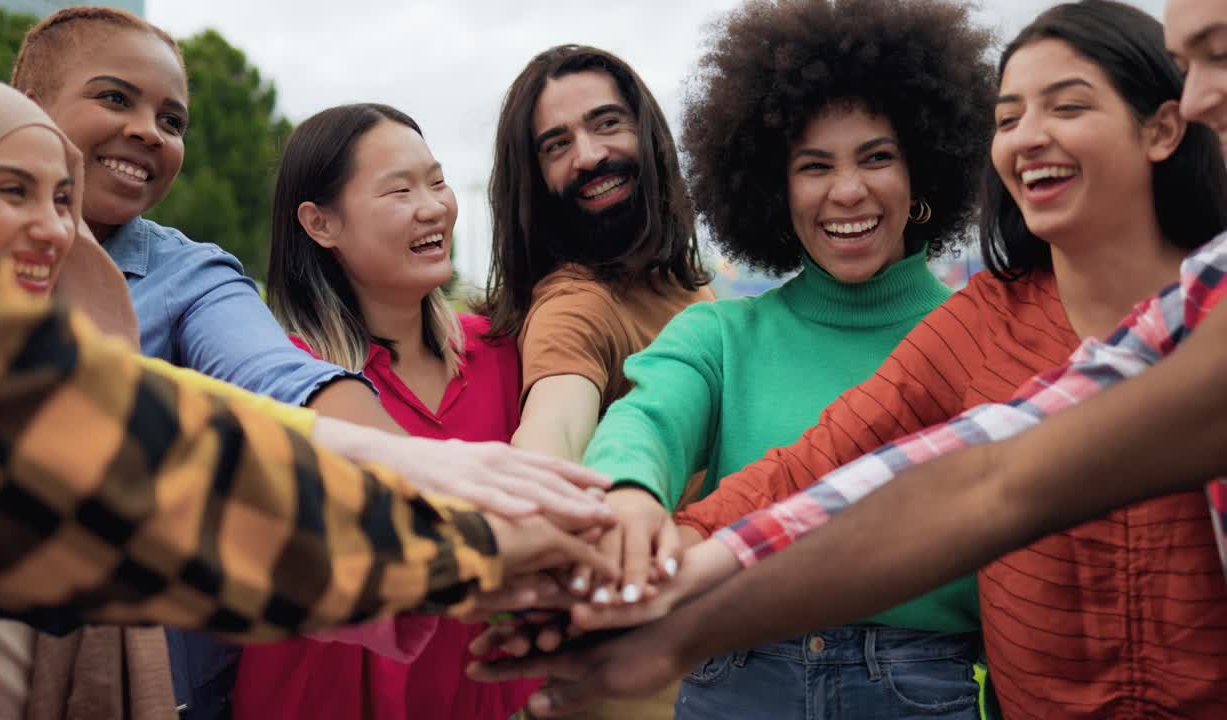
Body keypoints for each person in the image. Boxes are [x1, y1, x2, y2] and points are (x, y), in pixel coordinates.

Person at [487, 2, 1227, 718]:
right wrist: (639, 520)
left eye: (877, 157)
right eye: (1007, 119)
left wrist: (676, 602)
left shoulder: (1141, 315)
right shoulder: (762, 332)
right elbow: (820, 471)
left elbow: (982, 488)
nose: (847, 190)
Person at [0, 221, 620, 716]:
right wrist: (447, 537)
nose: (54, 221)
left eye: (62, 195)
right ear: (320, 222)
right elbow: (170, 473)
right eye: (12, 188)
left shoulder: (496, 347)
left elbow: (222, 410)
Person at [559, 1, 995, 717]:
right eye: (813, 165)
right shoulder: (720, 337)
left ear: (926, 169)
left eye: (877, 157)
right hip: (736, 675)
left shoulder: (985, 336)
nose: (847, 191)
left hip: (918, 686)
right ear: (771, 188)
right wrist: (632, 492)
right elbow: (646, 418)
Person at [233, 103, 542, 720]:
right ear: (320, 224)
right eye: (399, 190)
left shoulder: (506, 354)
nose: (433, 207)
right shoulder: (290, 385)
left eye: (436, 180)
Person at [479, 43, 714, 718]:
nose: (587, 155)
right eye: (556, 144)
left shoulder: (687, 289)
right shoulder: (577, 303)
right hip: (644, 683)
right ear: (534, 178)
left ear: (647, 133)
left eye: (606, 124)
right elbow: (551, 427)